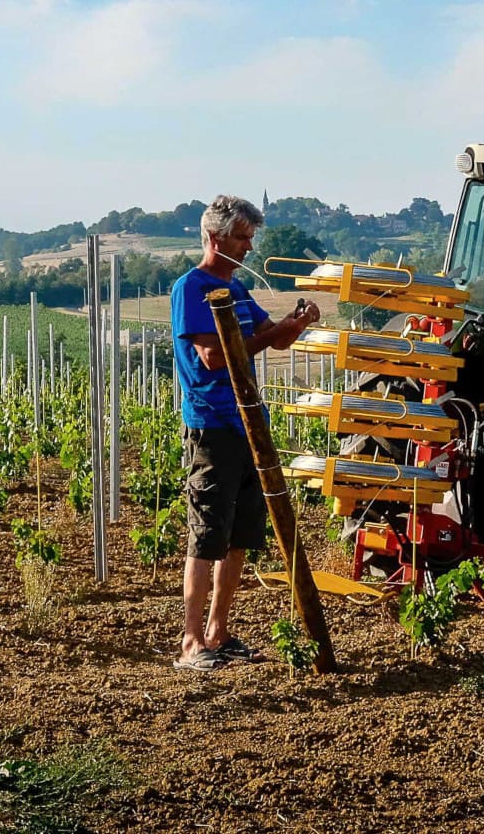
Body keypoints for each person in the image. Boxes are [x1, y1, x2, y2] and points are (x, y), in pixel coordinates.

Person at [170, 195, 320, 671]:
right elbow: (216, 357)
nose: (249, 247)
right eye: (242, 238)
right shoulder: (192, 289)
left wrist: (296, 323)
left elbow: (268, 336)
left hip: (249, 425)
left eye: (251, 238)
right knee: (207, 535)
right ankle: (192, 642)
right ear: (216, 238)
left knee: (239, 537)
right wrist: (265, 338)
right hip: (213, 425)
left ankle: (219, 631)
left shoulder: (235, 290)